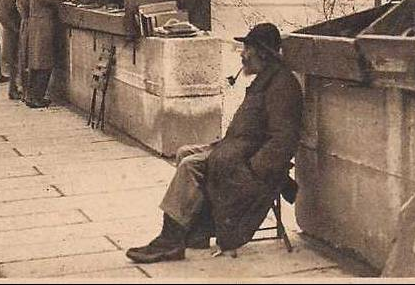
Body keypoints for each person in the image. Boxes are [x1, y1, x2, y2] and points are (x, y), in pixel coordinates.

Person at [125, 23, 302, 263]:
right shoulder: (266, 79)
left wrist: (253, 169)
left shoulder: (282, 85)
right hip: (236, 150)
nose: (242, 54)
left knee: (190, 165)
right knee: (184, 152)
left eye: (246, 48)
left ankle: (170, 241)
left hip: (248, 163)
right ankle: (195, 232)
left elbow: (283, 139)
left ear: (262, 52)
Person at [23, 0, 74, 108]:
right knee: (44, 64)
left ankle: (31, 97)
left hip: (37, 30)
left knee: (35, 65)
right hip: (43, 31)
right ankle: (37, 98)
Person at [14, 0, 39, 101]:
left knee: (26, 57)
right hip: (28, 26)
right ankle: (26, 92)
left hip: (26, 25)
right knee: (27, 58)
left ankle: (25, 92)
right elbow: (29, 10)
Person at [0, 0, 24, 100]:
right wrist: (16, 30)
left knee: (14, 63)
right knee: (14, 63)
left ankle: (14, 89)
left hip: (12, 33)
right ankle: (13, 91)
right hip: (12, 35)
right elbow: (3, 17)